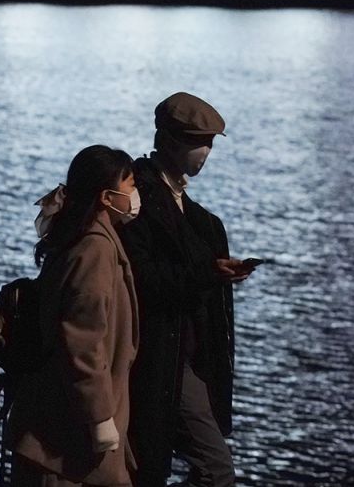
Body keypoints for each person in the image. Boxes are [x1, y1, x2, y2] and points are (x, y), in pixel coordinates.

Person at [117, 93, 254, 487]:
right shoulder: (140, 201)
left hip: (182, 357)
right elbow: (146, 281)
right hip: (160, 357)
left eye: (210, 143)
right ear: (172, 142)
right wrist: (209, 273)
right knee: (216, 470)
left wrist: (214, 272)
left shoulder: (184, 208)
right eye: (201, 142)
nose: (207, 152)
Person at [9, 145, 143, 487]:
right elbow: (82, 340)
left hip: (62, 428)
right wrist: (99, 417)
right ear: (106, 196)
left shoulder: (79, 236)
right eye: (129, 184)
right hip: (66, 440)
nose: (135, 193)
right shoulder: (95, 249)